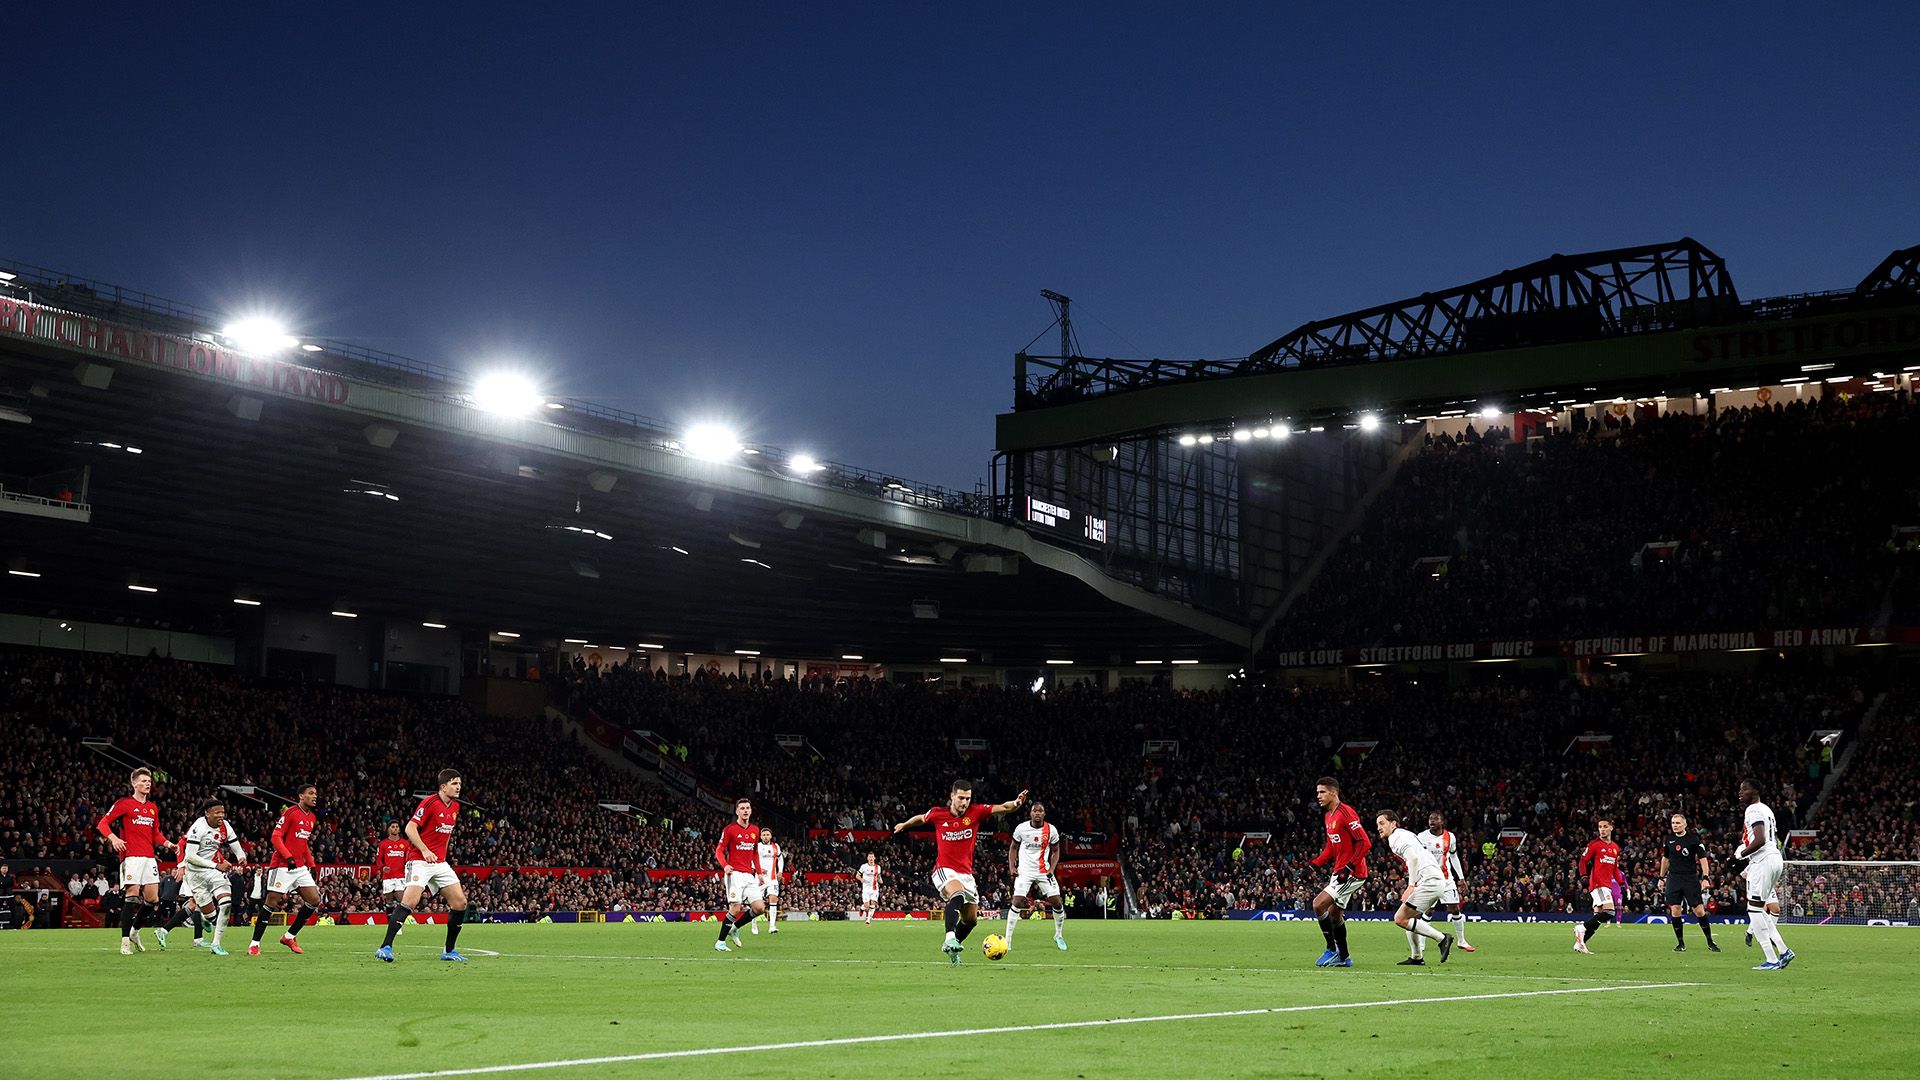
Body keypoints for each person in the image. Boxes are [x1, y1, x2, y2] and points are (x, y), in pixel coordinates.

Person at [893, 779, 1027, 964]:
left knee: (971, 920)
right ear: (952, 796)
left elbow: (1004, 807)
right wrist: (904, 825)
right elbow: (921, 818)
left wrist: (1016, 803)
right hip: (944, 870)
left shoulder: (976, 812)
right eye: (961, 798)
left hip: (966, 874)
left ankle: (953, 949)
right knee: (957, 895)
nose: (964, 803)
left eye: (968, 798)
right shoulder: (937, 814)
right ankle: (949, 937)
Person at [376, 769, 471, 962]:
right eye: (454, 783)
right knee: (410, 901)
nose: (458, 786)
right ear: (443, 787)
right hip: (419, 859)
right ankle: (385, 947)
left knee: (460, 903)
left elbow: (447, 835)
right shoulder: (429, 803)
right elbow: (410, 828)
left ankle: (449, 951)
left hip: (439, 862)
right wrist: (425, 850)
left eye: (459, 783)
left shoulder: (455, 807)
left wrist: (442, 856)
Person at [96, 767, 173, 955]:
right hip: (131, 857)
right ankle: (124, 942)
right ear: (134, 783)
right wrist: (113, 839)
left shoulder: (152, 808)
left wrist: (169, 844)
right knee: (132, 895)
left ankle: (134, 931)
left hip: (149, 858)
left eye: (149, 781)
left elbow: (155, 834)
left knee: (153, 898)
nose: (147, 784)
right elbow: (102, 824)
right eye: (144, 781)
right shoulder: (124, 804)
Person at [251, 784, 322, 956]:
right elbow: (275, 837)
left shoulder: (311, 817)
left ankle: (289, 936)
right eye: (310, 793)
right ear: (301, 796)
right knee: (272, 901)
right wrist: (288, 857)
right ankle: (254, 944)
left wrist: (311, 864)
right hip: (282, 865)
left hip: (299, 867)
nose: (314, 796)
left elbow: (303, 843)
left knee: (314, 900)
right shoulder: (290, 812)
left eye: (316, 794)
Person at [1308, 776, 1371, 968]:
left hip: (1353, 872)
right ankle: (1344, 957)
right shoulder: (1328, 816)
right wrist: (1314, 865)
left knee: (1318, 905)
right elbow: (1331, 846)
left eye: (1322, 792)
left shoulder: (1346, 812)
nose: (1318, 796)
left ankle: (1331, 949)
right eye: (1317, 792)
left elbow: (1365, 842)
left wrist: (1350, 866)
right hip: (1340, 871)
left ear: (1333, 792)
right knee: (1335, 915)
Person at [1377, 811, 1453, 965]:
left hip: (1430, 880)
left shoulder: (1395, 838)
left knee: (1400, 918)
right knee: (1408, 917)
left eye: (1382, 823)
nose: (1379, 827)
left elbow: (1413, 858)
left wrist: (1411, 885)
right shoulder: (1405, 834)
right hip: (1433, 879)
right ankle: (1417, 957)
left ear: (1393, 824)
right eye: (1377, 824)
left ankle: (1442, 938)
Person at [1734, 779, 1795, 970]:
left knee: (1754, 910)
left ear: (1755, 790)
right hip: (1774, 858)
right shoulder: (1767, 809)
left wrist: (1740, 854)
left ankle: (1772, 958)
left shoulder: (1752, 810)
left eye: (1744, 789)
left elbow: (1759, 839)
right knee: (1759, 909)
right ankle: (1783, 951)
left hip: (1763, 860)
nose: (1740, 792)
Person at [179, 798, 247, 955]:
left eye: (222, 812)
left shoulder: (225, 825)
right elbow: (189, 856)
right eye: (217, 812)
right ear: (207, 813)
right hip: (195, 873)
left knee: (226, 904)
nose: (221, 815)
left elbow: (234, 843)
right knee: (211, 916)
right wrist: (216, 865)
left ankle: (216, 944)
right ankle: (206, 918)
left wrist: (241, 856)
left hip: (214, 871)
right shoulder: (198, 827)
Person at [1004, 800, 1067, 952]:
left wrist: (1052, 868)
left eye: (1040, 811)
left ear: (1044, 814)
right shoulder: (1021, 829)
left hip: (1043, 870)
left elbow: (1056, 851)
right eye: (1035, 811)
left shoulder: (1051, 830)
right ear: (1030, 813)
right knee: (1017, 901)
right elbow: (1013, 848)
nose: (1037, 813)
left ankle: (1058, 935)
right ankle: (1008, 940)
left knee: (1057, 902)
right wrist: (1012, 866)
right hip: (1024, 871)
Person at [712, 798, 766, 952]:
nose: (745, 810)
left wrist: (760, 872)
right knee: (735, 907)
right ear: (737, 811)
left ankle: (734, 928)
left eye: (747, 808)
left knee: (759, 908)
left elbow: (755, 852)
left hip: (749, 874)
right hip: (734, 874)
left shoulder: (755, 830)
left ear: (751, 810)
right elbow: (719, 850)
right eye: (742, 808)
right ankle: (720, 942)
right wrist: (725, 865)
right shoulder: (730, 830)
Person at [1659, 812, 1718, 952]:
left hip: (1690, 878)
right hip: (1674, 878)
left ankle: (1710, 942)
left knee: (1698, 910)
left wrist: (1705, 877)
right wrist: (1661, 878)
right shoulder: (1669, 839)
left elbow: (1703, 859)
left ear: (1685, 824)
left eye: (1678, 823)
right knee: (1675, 909)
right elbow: (1665, 859)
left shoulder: (1693, 839)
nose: (1675, 825)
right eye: (1673, 823)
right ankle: (1680, 944)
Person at [1416, 811, 1474, 952]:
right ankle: (1422, 944)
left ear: (1442, 822)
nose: (1432, 821)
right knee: (1428, 910)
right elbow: (1416, 858)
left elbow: (1453, 857)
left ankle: (1461, 940)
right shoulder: (1421, 837)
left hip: (1446, 879)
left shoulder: (1450, 837)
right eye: (1430, 819)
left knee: (1454, 908)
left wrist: (1461, 878)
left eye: (1435, 819)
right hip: (1429, 879)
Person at [1574, 818, 1624, 955]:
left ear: (1611, 828)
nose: (1602, 829)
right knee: (1609, 912)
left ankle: (1580, 944)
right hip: (1598, 884)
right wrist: (1584, 875)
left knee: (1597, 920)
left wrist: (1621, 884)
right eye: (1600, 827)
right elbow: (1582, 861)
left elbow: (1615, 869)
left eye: (1605, 826)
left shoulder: (1615, 847)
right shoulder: (1594, 844)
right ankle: (1581, 928)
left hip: (1606, 885)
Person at [374, 822, 411, 937]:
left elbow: (409, 858)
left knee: (401, 899)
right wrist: (382, 867)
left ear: (399, 829)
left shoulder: (405, 844)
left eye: (397, 827)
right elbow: (378, 859)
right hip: (388, 877)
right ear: (389, 829)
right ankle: (391, 924)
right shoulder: (383, 844)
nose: (395, 828)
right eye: (393, 827)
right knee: (389, 902)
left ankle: (398, 924)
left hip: (400, 876)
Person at [752, 826, 783, 936]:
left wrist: (780, 871)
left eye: (767, 835)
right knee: (757, 903)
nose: (765, 837)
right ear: (760, 836)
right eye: (763, 835)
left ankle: (772, 926)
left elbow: (780, 858)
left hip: (772, 878)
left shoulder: (775, 847)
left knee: (773, 898)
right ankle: (754, 923)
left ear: (771, 836)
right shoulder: (757, 846)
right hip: (759, 878)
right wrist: (757, 869)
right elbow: (751, 859)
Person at [856, 853, 882, 924]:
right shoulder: (863, 866)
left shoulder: (878, 867)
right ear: (867, 858)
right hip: (866, 889)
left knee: (873, 904)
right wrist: (861, 879)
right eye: (869, 857)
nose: (871, 858)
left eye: (872, 857)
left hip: (874, 888)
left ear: (874, 858)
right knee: (867, 906)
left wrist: (880, 881)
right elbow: (857, 875)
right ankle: (862, 909)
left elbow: (879, 877)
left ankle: (868, 920)